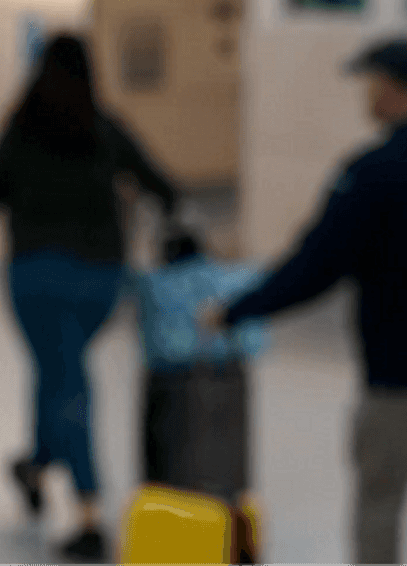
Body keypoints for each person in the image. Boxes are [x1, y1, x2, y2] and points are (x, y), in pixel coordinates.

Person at [201, 36, 407, 564]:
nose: (366, 96)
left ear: (387, 85)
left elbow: (316, 265)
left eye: (370, 83)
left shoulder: (377, 170)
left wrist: (236, 310)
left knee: (379, 512)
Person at [0, 33, 177, 562]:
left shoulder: (21, 126)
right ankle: (34, 468)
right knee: (59, 371)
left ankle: (90, 514)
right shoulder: (104, 126)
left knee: (65, 380)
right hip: (101, 280)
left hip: (36, 279)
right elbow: (160, 183)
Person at [133, 228, 265, 563]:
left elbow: (153, 340)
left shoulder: (156, 284)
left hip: (173, 384)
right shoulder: (235, 278)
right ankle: (237, 546)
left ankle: (179, 549)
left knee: (177, 479)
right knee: (230, 473)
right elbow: (257, 338)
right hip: (233, 379)